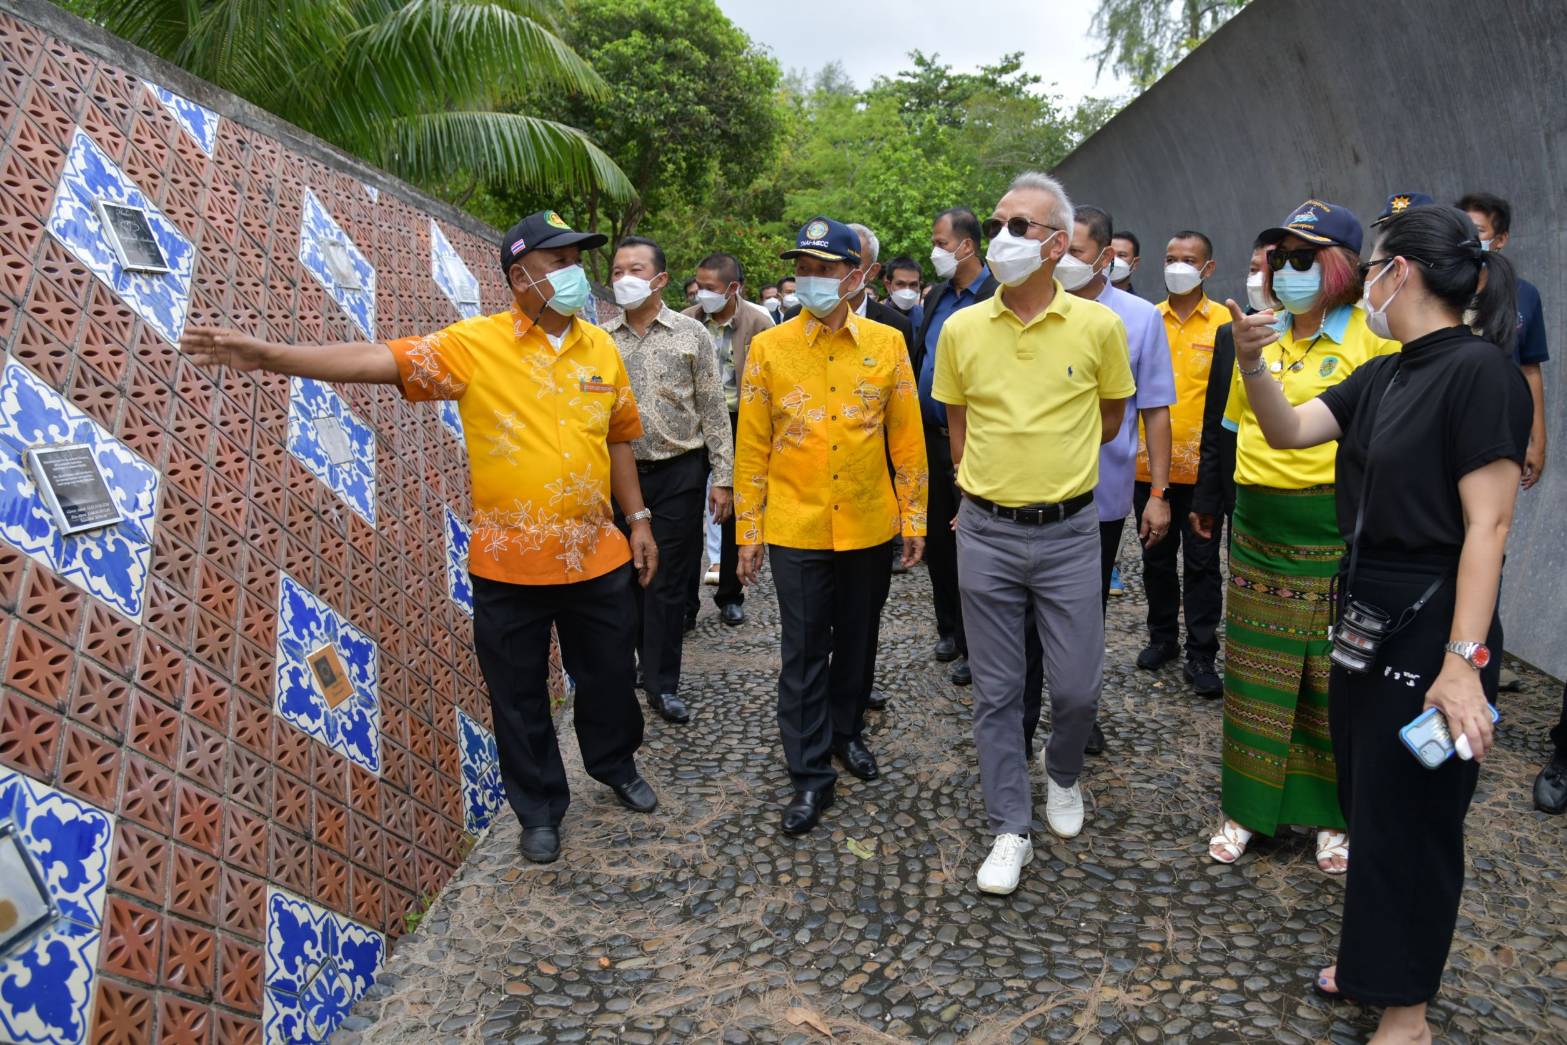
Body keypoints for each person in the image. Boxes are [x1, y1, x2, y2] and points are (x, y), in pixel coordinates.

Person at [180, 211, 661, 865]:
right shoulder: (474, 345)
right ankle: (540, 809)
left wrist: (638, 520)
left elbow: (618, 440)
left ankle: (614, 763)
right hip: (508, 567)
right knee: (517, 696)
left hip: (596, 557)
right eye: (560, 262)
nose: (575, 273)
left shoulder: (600, 347)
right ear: (520, 276)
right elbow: (376, 359)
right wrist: (272, 356)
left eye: (578, 261)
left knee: (609, 676)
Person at [1229, 203, 1529, 1044]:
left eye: (1371, 268)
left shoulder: (1479, 373)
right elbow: (1290, 430)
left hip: (1435, 615)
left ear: (1401, 272)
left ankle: (1407, 1011)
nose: (1362, 284)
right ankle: (1370, 963)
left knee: (1416, 820)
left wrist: (1461, 662)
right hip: (1364, 608)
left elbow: (1488, 527)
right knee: (1369, 802)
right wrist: (1251, 364)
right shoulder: (1386, 371)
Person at [933, 172, 1135, 894]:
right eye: (996, 224)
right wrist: (984, 489)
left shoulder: (1099, 327)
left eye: (1019, 227)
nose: (1000, 238)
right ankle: (1009, 827)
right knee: (996, 690)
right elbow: (958, 430)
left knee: (1077, 688)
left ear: (1056, 245)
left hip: (1069, 531)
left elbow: (1108, 419)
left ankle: (1063, 770)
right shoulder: (960, 329)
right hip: (986, 531)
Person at [1206, 199, 1399, 874]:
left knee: (1327, 675)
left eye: (1303, 257)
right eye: (1279, 257)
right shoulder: (1257, 333)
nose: (1285, 270)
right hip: (1256, 525)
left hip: (1328, 527)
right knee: (1253, 672)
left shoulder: (1372, 340)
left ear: (1340, 266)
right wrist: (1215, 503)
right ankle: (1244, 807)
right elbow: (1234, 429)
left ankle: (1331, 817)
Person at [733, 217, 928, 834]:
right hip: (796, 526)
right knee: (803, 649)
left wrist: (914, 516)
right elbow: (751, 447)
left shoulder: (887, 344)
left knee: (860, 639)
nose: (810, 279)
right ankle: (810, 773)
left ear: (855, 275)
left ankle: (847, 732)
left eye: (824, 269)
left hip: (868, 522)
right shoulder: (770, 348)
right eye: (803, 269)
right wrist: (748, 532)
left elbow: (907, 439)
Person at [1029, 204, 1170, 758]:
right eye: (1058, 249)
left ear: (1106, 256)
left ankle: (1076, 714)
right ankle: (1021, 714)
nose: (1063, 260)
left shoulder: (1139, 318)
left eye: (1076, 251)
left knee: (1084, 615)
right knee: (1024, 616)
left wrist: (1158, 494)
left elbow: (1154, 410)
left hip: (1100, 496)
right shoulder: (1032, 307)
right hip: (1028, 489)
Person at [602, 236, 734, 725]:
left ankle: (662, 682)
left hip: (680, 469)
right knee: (626, 575)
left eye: (634, 270)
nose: (624, 279)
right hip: (619, 474)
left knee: (668, 578)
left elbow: (713, 408)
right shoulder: (598, 339)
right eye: (617, 271)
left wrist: (723, 477)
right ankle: (636, 662)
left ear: (659, 279)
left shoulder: (690, 333)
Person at [1137, 230, 1230, 697]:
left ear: (1208, 268)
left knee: (1202, 563)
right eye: (1170, 257)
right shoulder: (1147, 319)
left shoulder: (1225, 325)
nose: (1178, 266)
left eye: (1189, 259)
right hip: (1148, 466)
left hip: (1203, 470)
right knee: (1154, 558)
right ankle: (1162, 638)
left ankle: (1201, 652)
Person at [912, 206, 997, 688]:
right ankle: (948, 627)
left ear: (966, 245)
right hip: (931, 437)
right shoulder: (937, 296)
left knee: (973, 543)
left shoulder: (996, 295)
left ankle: (974, 643)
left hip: (975, 439)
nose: (935, 252)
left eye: (940, 243)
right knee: (939, 542)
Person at [685, 252, 773, 627]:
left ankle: (730, 595)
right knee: (687, 510)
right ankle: (685, 602)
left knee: (733, 509)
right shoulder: (687, 322)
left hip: (740, 422)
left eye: (711, 287)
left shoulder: (759, 323)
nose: (702, 293)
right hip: (693, 424)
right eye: (699, 286)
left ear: (733, 288)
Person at [1456, 192, 1548, 490]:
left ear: (1500, 239)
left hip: (1502, 431)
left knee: (1492, 511)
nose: (1470, 240)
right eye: (1464, 231)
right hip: (1451, 424)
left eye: (1479, 232)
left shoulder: (1524, 295)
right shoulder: (1442, 289)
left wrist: (1538, 440)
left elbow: (1530, 369)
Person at [1190, 237, 1269, 544]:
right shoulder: (1228, 335)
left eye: (1270, 269)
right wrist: (1207, 498)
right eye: (1254, 269)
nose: (1260, 278)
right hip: (1240, 493)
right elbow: (1216, 424)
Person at [883, 254, 925, 329]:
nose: (907, 290)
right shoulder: (874, 317)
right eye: (900, 284)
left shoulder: (925, 317)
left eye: (913, 284)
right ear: (888, 285)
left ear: (919, 286)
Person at [1110, 231, 1140, 295]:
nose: (1114, 260)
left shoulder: (1136, 301)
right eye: (1110, 254)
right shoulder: (1089, 298)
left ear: (1135, 263)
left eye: (1121, 255)